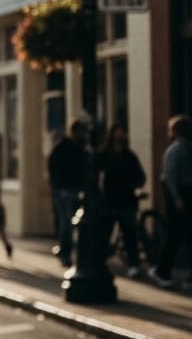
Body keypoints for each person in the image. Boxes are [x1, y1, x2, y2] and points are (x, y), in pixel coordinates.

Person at [152, 114, 192, 289]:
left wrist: (176, 197)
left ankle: (165, 271)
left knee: (177, 234)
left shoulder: (175, 150)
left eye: (170, 129)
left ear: (175, 131)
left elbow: (170, 176)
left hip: (183, 194)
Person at [94, 124, 147, 278]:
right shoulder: (104, 155)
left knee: (130, 235)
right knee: (105, 234)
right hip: (109, 201)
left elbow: (140, 176)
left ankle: (133, 264)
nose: (120, 136)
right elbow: (93, 176)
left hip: (126, 201)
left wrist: (134, 185)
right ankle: (100, 263)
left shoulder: (129, 156)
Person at [47, 119, 90, 267]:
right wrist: (56, 186)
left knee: (75, 222)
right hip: (63, 190)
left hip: (78, 190)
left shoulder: (83, 149)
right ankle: (65, 252)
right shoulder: (62, 148)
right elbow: (53, 167)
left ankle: (69, 250)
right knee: (66, 222)